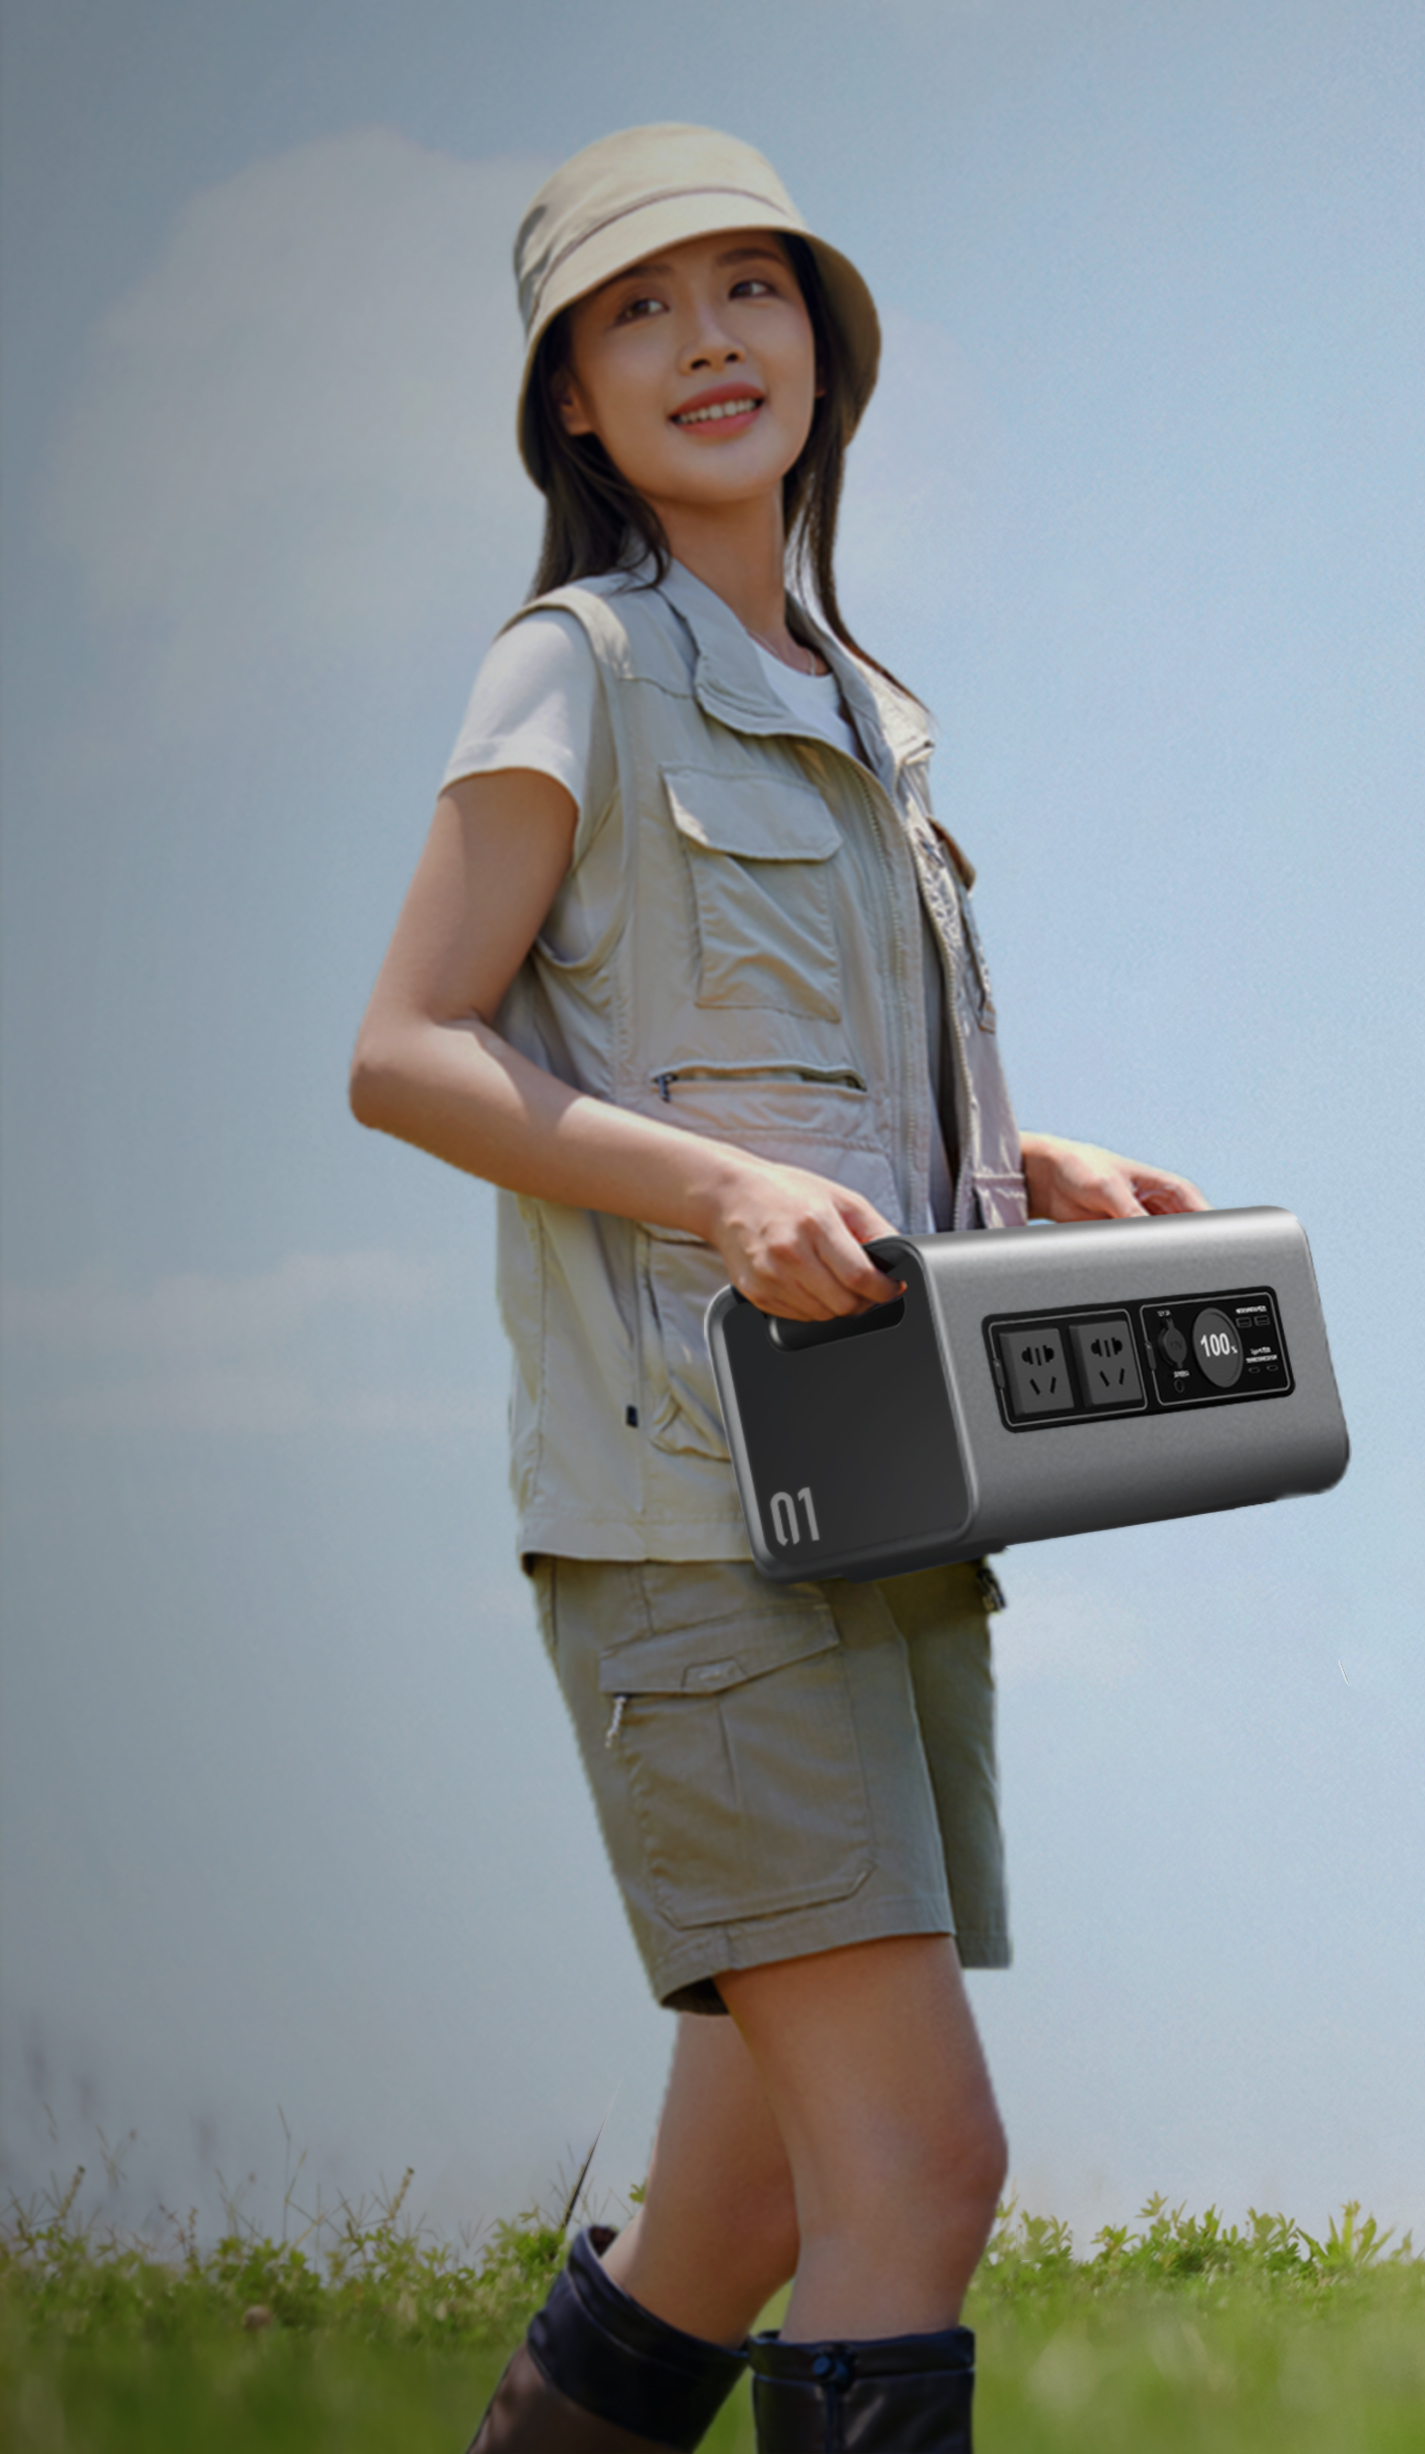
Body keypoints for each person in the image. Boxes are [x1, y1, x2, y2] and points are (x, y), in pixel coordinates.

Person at [352, 123, 1202, 2453]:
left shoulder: (857, 706)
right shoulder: (575, 669)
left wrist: (1012, 1161)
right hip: (690, 1525)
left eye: (751, 288)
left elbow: (792, 1078)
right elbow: (408, 1050)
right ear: (570, 404)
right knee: (922, 2168)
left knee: (727, 2223)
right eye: (641, 310)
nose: (711, 339)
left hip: (879, 1499)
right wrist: (723, 1202)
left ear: (826, 340)